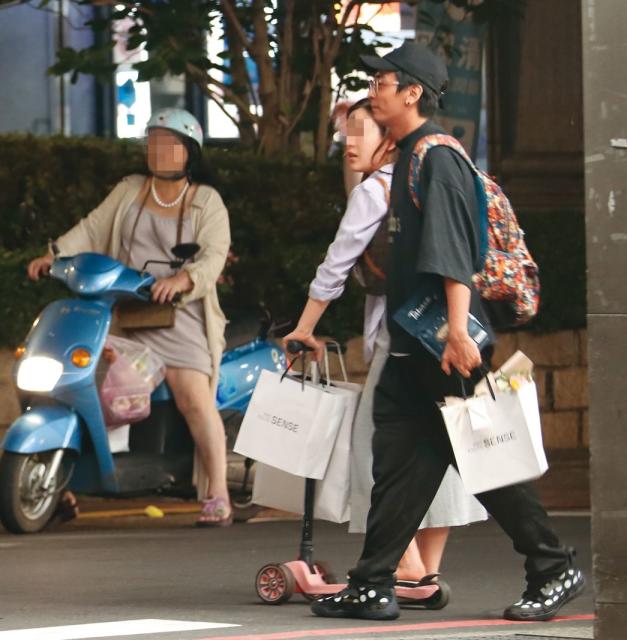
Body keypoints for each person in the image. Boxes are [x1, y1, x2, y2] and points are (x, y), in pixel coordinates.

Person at [310, 42, 585, 623]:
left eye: (383, 80)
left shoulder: (439, 158)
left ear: (412, 92)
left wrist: (459, 330)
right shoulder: (408, 155)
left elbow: (454, 252)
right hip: (416, 345)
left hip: (444, 345)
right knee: (398, 468)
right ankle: (373, 582)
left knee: (488, 462)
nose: (375, 89)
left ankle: (553, 568)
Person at [282, 98, 486, 589]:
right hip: (446, 336)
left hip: (401, 338)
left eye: (360, 132)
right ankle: (425, 568)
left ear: (390, 137)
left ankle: (407, 563)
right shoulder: (426, 182)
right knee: (440, 446)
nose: (348, 144)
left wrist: (305, 327)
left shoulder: (376, 190)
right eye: (345, 133)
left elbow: (336, 265)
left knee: (373, 448)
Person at [27, 108, 234, 527]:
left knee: (192, 396)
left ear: (189, 151)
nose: (158, 150)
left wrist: (183, 279)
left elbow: (213, 254)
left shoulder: (206, 200)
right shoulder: (130, 189)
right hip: (124, 312)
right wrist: (54, 256)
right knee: (77, 384)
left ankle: (219, 492)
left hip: (180, 315)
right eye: (152, 141)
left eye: (169, 142)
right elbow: (91, 228)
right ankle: (63, 485)